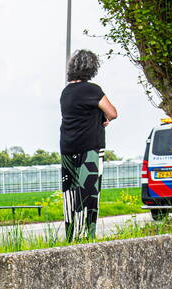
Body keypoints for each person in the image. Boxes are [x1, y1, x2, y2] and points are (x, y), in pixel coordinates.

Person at [59, 49, 117, 241]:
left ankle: (71, 237)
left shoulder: (65, 92)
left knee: (70, 194)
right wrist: (105, 117)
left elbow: (81, 113)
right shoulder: (92, 89)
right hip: (90, 148)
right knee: (89, 194)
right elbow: (112, 112)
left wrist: (99, 116)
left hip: (68, 148)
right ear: (91, 68)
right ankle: (87, 238)